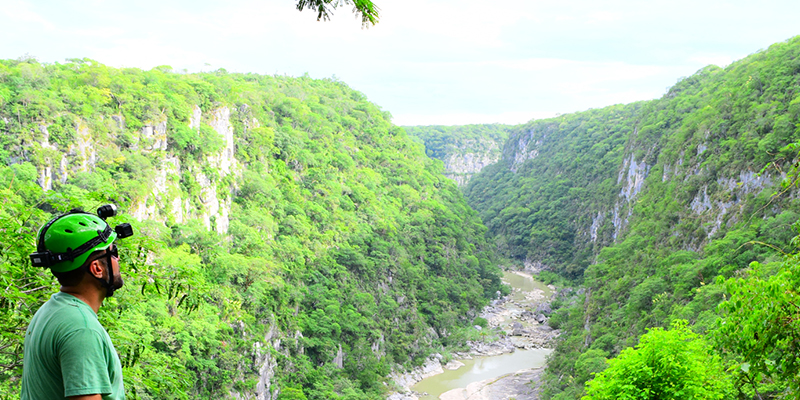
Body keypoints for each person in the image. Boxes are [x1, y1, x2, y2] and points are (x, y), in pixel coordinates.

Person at [21, 206, 133, 400]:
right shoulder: (82, 329)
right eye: (112, 252)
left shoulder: (51, 310)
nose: (118, 258)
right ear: (97, 268)